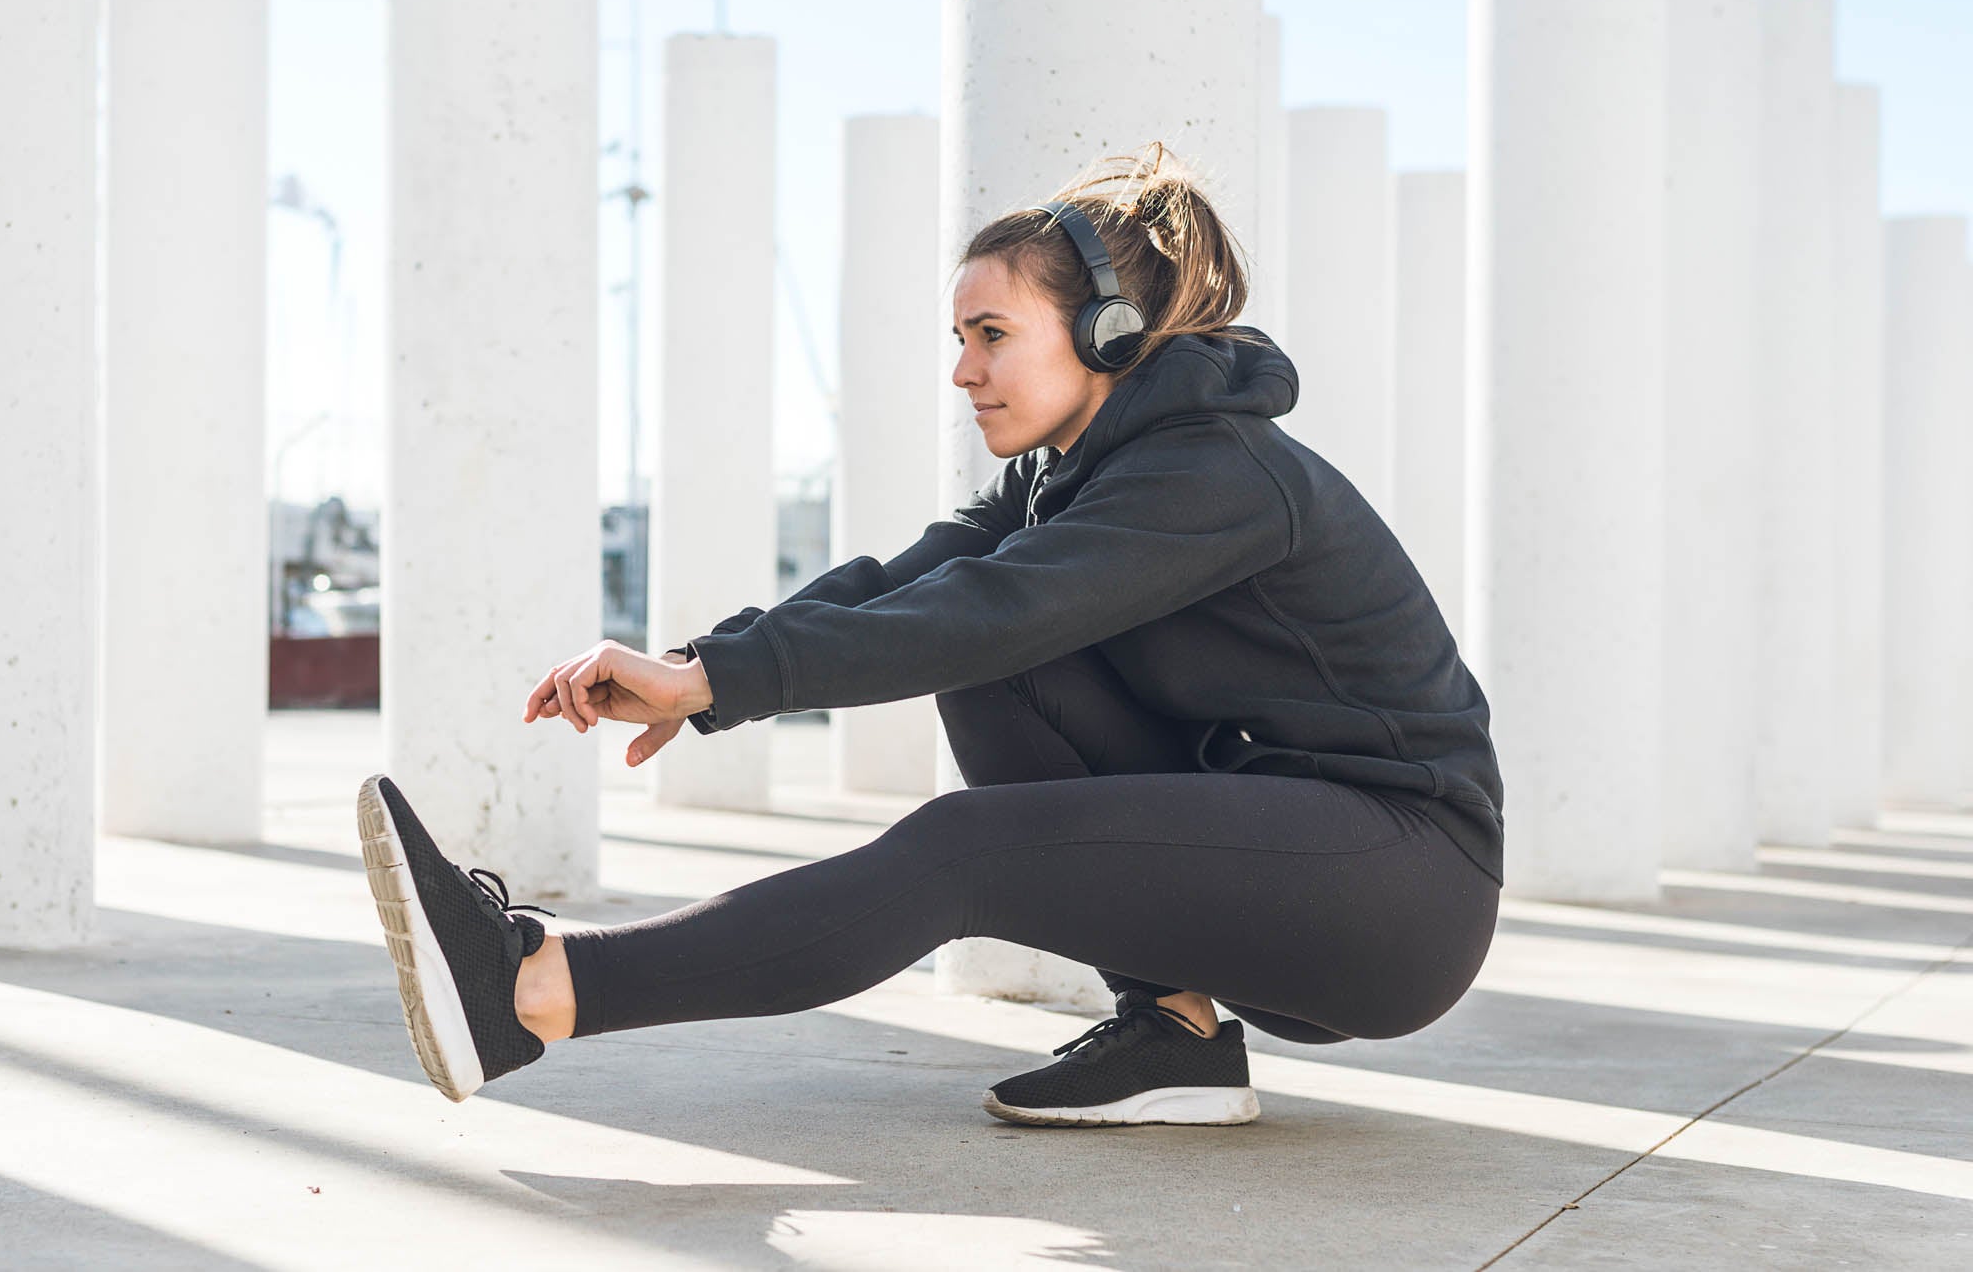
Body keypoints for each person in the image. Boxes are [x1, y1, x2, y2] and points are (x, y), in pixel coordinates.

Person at [357, 141, 1504, 1127]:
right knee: (997, 663)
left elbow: (989, 612)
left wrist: (718, 683)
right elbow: (913, 585)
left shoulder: (1215, 473)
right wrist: (701, 670)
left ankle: (532, 994)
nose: (963, 371)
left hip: (1404, 887)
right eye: (960, 337)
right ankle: (1177, 1036)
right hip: (1298, 837)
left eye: (992, 333)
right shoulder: (1073, 476)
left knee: (964, 844)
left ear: (1106, 334)